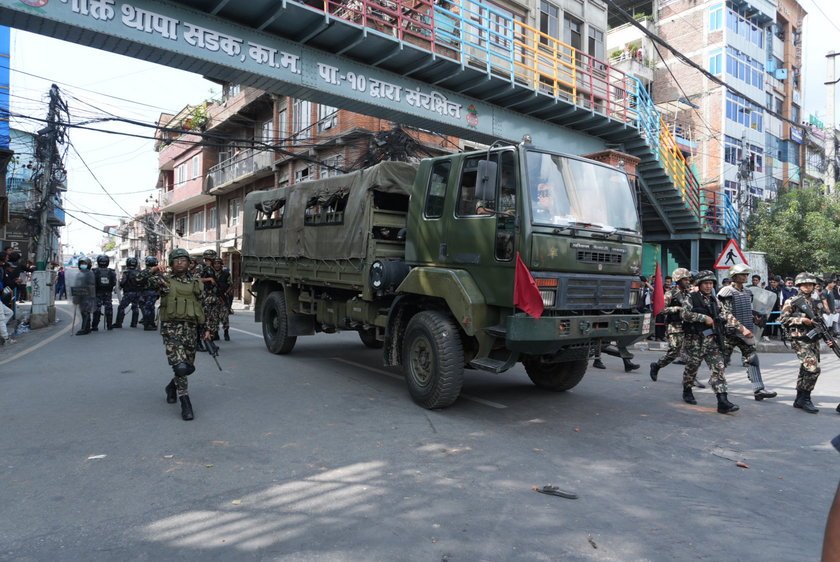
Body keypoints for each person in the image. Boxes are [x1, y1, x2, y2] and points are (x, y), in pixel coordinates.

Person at [140, 248, 211, 421]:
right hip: (171, 329)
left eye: (183, 260)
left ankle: (171, 387)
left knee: (188, 367)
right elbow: (138, 280)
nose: (180, 262)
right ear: (171, 263)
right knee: (179, 366)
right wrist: (153, 269)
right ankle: (185, 402)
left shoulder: (196, 283)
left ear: (189, 263)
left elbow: (203, 306)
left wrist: (206, 328)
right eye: (176, 260)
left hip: (191, 330)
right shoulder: (165, 281)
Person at [680, 270, 750, 413]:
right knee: (692, 368)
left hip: (712, 340)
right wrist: (703, 318)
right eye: (705, 283)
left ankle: (722, 401)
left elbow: (725, 314)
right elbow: (685, 314)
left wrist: (742, 329)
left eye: (711, 283)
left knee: (718, 369)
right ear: (699, 284)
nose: (708, 286)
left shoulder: (714, 299)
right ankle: (687, 389)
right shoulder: (690, 297)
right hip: (695, 341)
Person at [716, 263, 777, 401]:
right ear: (734, 276)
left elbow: (745, 310)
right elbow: (726, 314)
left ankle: (758, 389)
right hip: (729, 333)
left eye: (746, 274)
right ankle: (716, 386)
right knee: (721, 362)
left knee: (752, 359)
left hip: (745, 332)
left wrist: (754, 318)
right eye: (743, 274)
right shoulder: (727, 291)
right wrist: (742, 329)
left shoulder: (747, 292)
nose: (745, 276)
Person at [779, 272, 832, 414]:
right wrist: (802, 320)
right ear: (799, 285)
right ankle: (806, 399)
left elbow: (820, 322)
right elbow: (782, 319)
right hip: (799, 339)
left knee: (805, 369)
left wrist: (827, 336)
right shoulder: (792, 301)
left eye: (810, 284)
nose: (808, 287)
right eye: (804, 284)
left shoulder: (816, 303)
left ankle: (799, 399)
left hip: (813, 339)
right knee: (813, 369)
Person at [649, 268, 705, 387]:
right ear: (678, 280)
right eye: (684, 279)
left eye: (688, 279)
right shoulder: (670, 293)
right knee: (675, 351)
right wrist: (677, 309)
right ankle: (657, 365)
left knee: (694, 353)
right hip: (674, 326)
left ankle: (690, 378)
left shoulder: (689, 293)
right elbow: (661, 309)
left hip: (688, 326)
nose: (687, 281)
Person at [199, 249, 222, 344]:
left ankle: (211, 340)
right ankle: (202, 342)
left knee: (213, 320)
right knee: (205, 319)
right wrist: (208, 279)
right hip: (205, 297)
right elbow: (196, 279)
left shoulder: (211, 268)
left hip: (213, 296)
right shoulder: (201, 267)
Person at [114, 257, 142, 328]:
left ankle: (118, 323)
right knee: (135, 307)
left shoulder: (126, 272)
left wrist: (120, 284)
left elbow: (123, 282)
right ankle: (134, 323)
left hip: (129, 293)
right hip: (137, 293)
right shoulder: (139, 272)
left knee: (121, 307)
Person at [91, 254, 116, 331]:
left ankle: (95, 326)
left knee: (97, 310)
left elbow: (92, 283)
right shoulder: (112, 272)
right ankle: (109, 325)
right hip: (108, 293)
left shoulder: (94, 271)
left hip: (97, 293)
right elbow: (114, 283)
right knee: (109, 309)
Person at [73, 257, 96, 336]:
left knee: (86, 312)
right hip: (80, 295)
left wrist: (91, 295)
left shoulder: (89, 273)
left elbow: (91, 285)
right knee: (83, 312)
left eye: (85, 264)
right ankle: (87, 328)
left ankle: (84, 328)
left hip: (87, 295)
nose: (83, 265)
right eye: (82, 264)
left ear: (89, 265)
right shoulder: (79, 273)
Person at [212, 257, 233, 341]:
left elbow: (230, 285)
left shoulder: (226, 274)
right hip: (213, 298)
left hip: (222, 298)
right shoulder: (210, 274)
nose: (217, 265)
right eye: (215, 263)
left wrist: (226, 293)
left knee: (224, 316)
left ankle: (226, 333)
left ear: (221, 265)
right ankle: (216, 334)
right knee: (214, 317)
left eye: (218, 263)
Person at [139, 256, 161, 331]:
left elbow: (138, 280)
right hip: (152, 293)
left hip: (145, 292)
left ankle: (150, 323)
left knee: (149, 308)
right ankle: (148, 324)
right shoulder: (157, 273)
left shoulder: (143, 272)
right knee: (150, 308)